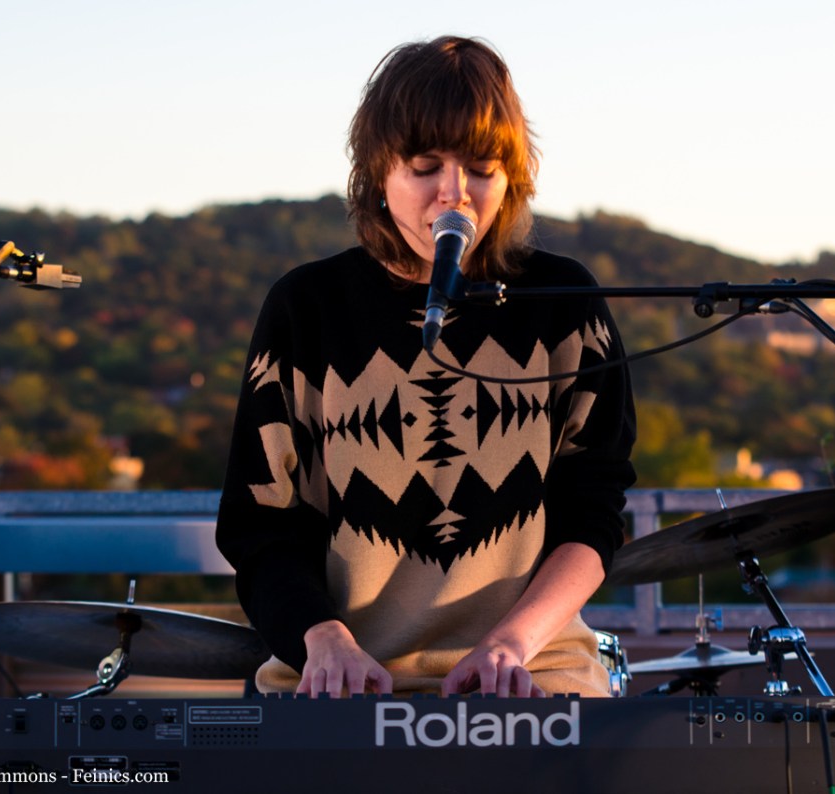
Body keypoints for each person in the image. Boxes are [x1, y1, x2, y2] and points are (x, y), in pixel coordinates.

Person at [216, 35, 636, 698]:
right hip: (338, 686)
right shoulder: (309, 308)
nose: (454, 193)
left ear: (512, 177)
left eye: (481, 167)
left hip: (532, 677)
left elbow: (595, 510)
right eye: (424, 166)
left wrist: (510, 642)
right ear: (379, 173)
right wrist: (323, 640)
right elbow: (260, 523)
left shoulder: (561, 301)